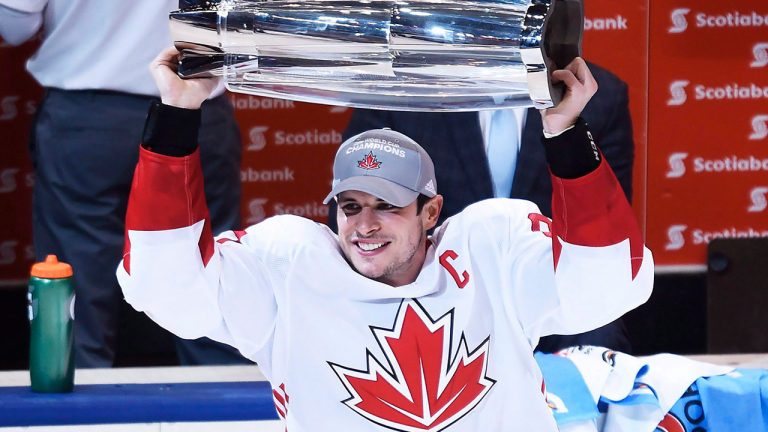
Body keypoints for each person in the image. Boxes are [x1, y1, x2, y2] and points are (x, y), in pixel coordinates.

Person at [118, 47, 654, 431]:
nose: (364, 225)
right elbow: (166, 286)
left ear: (431, 211)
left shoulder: (490, 249)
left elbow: (605, 282)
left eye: (388, 205)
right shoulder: (291, 268)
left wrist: (564, 134)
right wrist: (176, 115)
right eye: (350, 207)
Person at [0, 0, 248, 366]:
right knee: (204, 265)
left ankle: (78, 414)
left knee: (75, 277)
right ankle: (225, 414)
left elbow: (14, 23)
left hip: (91, 111)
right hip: (194, 103)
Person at [339, 63, 636, 353]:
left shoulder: (597, 95)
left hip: (549, 289)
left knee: (598, 329)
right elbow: (359, 212)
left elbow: (605, 226)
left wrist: (565, 133)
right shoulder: (402, 88)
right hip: (432, 289)